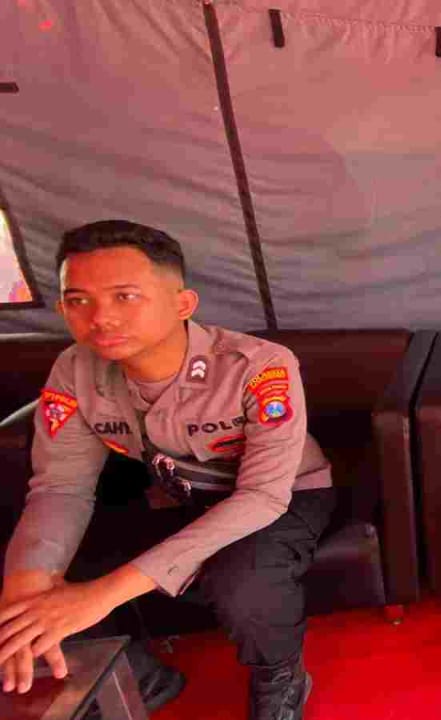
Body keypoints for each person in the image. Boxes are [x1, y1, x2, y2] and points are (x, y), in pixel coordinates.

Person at [0, 220, 334, 720]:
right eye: (78, 300)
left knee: (243, 580)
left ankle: (280, 675)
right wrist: (26, 589)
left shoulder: (258, 365)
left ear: (182, 304)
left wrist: (101, 596)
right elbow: (61, 488)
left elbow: (262, 498)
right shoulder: (74, 370)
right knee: (35, 569)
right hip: (180, 495)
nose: (101, 318)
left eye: (125, 296)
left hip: (283, 497)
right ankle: (141, 678)